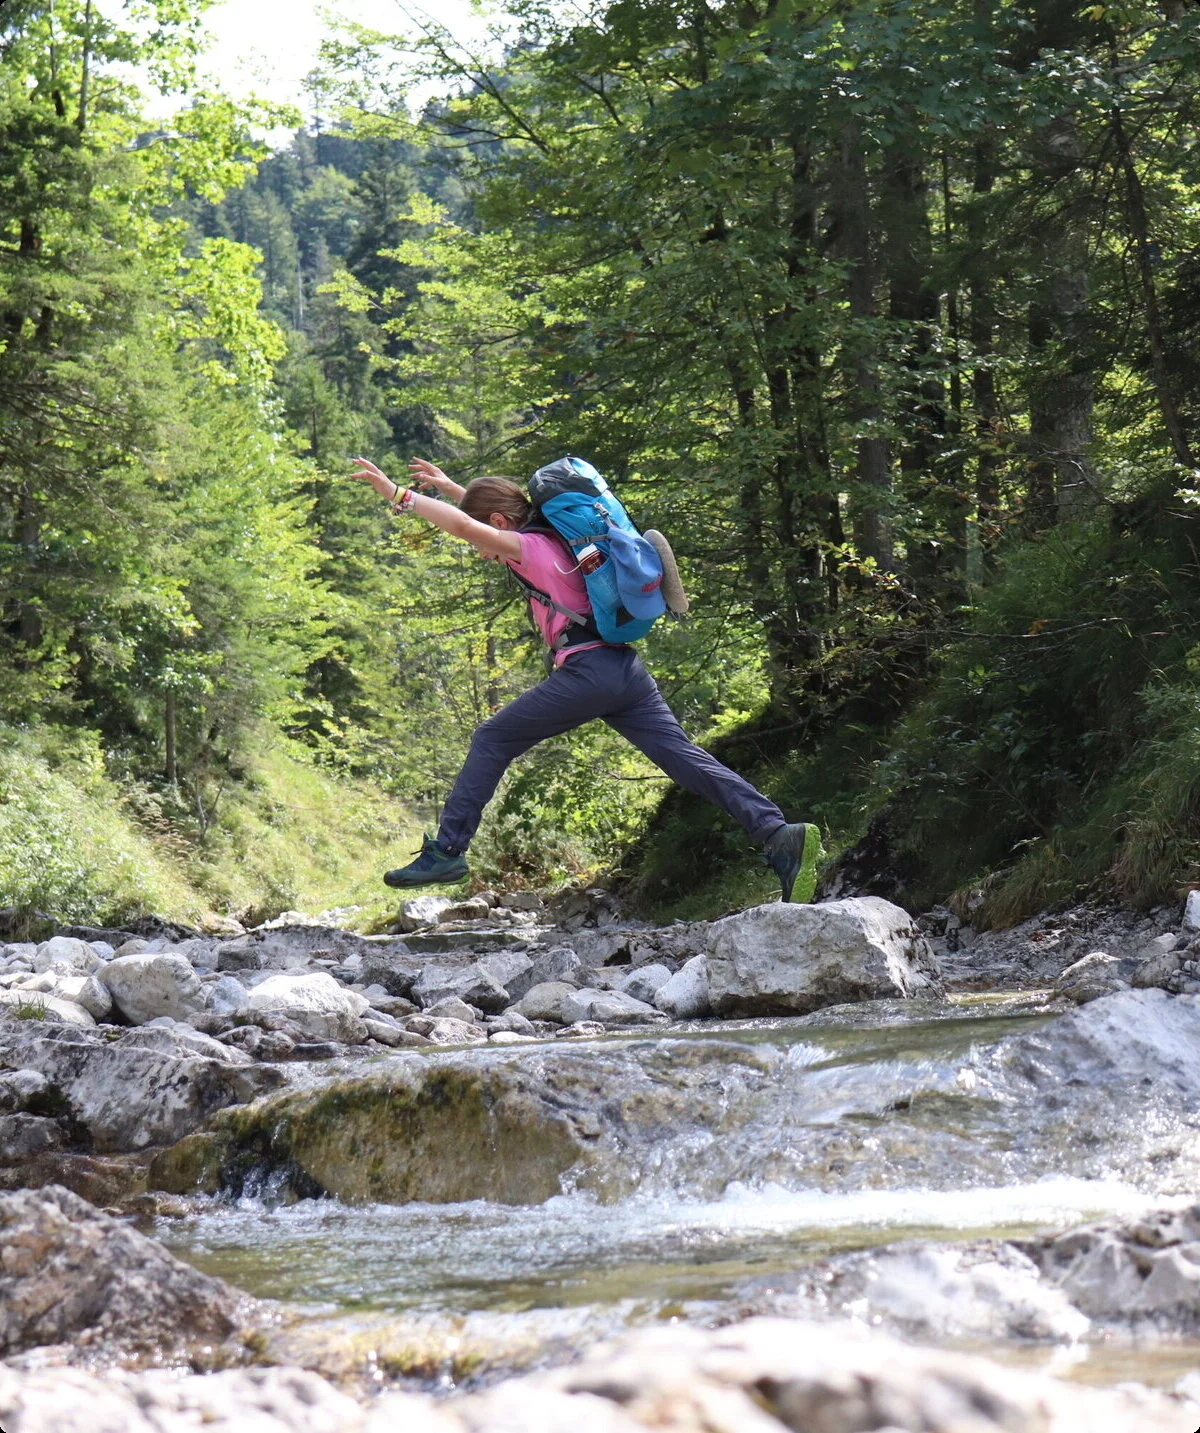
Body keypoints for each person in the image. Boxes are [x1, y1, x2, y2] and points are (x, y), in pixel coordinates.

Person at [349, 455, 822, 901]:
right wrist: (455, 488)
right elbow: (481, 519)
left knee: (492, 738)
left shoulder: (528, 548)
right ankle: (779, 835)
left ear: (497, 524)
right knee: (685, 760)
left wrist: (398, 495)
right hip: (624, 671)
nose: (481, 553)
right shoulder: (558, 541)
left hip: (588, 672)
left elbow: (466, 525)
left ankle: (447, 853)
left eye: (482, 544)